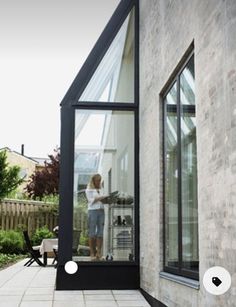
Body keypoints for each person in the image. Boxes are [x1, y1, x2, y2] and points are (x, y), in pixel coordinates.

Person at [85, 173, 107, 260]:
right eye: (98, 180)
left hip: (101, 211)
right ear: (93, 181)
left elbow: (102, 200)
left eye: (100, 180)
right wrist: (101, 198)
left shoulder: (101, 189)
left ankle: (99, 253)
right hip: (92, 211)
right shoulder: (88, 190)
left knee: (100, 232)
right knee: (92, 233)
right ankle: (92, 253)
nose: (99, 182)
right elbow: (91, 201)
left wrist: (106, 199)